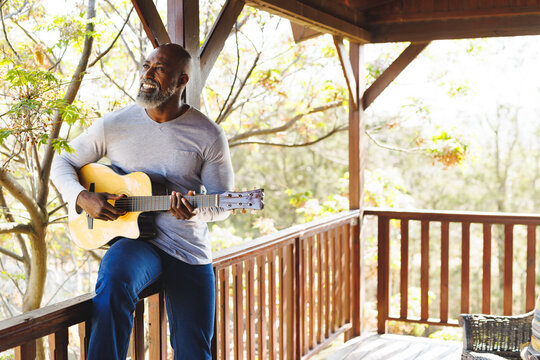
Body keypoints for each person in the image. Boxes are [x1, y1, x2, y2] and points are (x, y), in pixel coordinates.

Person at [51, 43, 234, 360]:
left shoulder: (209, 135)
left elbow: (224, 204)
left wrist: (195, 210)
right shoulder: (114, 125)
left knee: (195, 351)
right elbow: (61, 162)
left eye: (159, 68)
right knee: (114, 278)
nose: (147, 74)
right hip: (136, 241)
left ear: (181, 81)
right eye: (147, 65)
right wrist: (82, 196)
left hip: (187, 247)